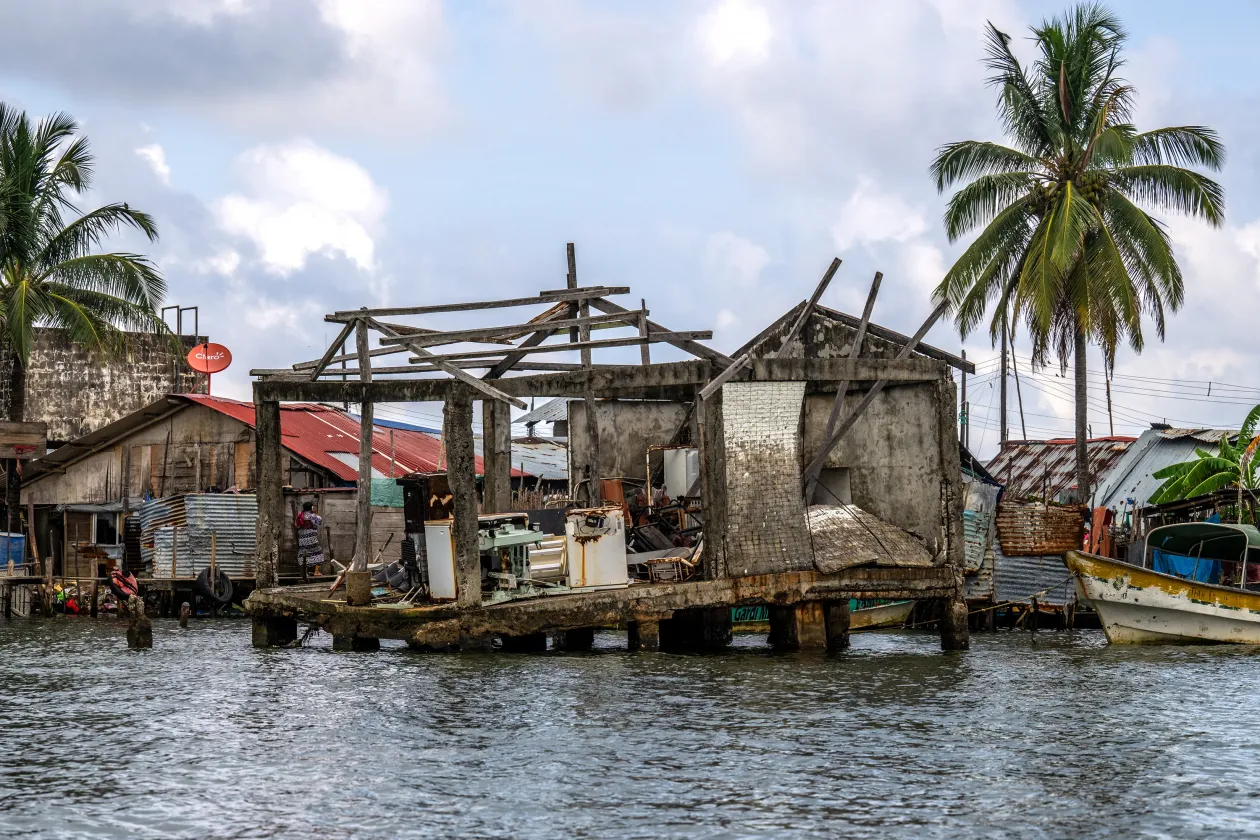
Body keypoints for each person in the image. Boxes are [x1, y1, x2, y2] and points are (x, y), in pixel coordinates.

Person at [295, 502, 325, 576]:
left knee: (304, 554)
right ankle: (316, 571)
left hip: (302, 538)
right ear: (311, 507)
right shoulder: (312, 515)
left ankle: (305, 573)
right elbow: (319, 521)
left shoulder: (300, 514)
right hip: (311, 537)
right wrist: (315, 512)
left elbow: (297, 525)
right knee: (318, 553)